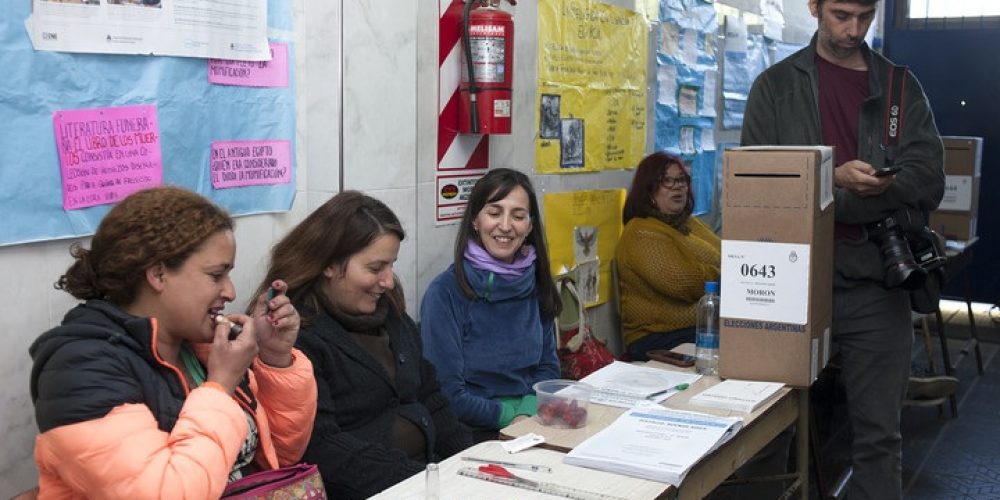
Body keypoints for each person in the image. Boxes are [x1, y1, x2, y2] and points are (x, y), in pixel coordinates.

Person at [741, 1, 945, 498]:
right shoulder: (775, 86)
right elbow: (753, 188)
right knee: (763, 432)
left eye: (865, 15)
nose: (853, 30)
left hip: (874, 284)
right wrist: (829, 179)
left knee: (879, 440)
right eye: (840, 14)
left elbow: (930, 180)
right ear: (813, 6)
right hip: (789, 284)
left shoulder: (900, 87)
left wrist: (873, 190)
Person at [29, 186, 317, 498]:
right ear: (158, 274)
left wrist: (275, 356)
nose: (231, 292)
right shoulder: (80, 371)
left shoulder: (201, 350)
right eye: (216, 275)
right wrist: (220, 386)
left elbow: (280, 457)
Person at [255, 191, 471, 499]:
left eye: (391, 265)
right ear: (329, 264)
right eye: (375, 268)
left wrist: (470, 464)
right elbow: (323, 449)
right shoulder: (297, 337)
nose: (388, 281)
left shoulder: (390, 314)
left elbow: (430, 396)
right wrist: (422, 481)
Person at [420, 168, 562, 438]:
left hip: (532, 419)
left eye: (518, 216)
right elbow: (447, 392)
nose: (506, 226)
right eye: (494, 213)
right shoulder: (445, 292)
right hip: (472, 430)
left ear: (530, 226)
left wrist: (527, 410)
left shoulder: (536, 283)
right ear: (475, 219)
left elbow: (548, 367)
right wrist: (508, 417)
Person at [616, 152, 721, 361]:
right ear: (648, 190)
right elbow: (683, 283)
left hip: (699, 328)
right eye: (667, 181)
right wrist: (724, 276)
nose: (677, 187)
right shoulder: (640, 232)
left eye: (681, 180)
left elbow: (729, 255)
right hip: (656, 338)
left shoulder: (688, 222)